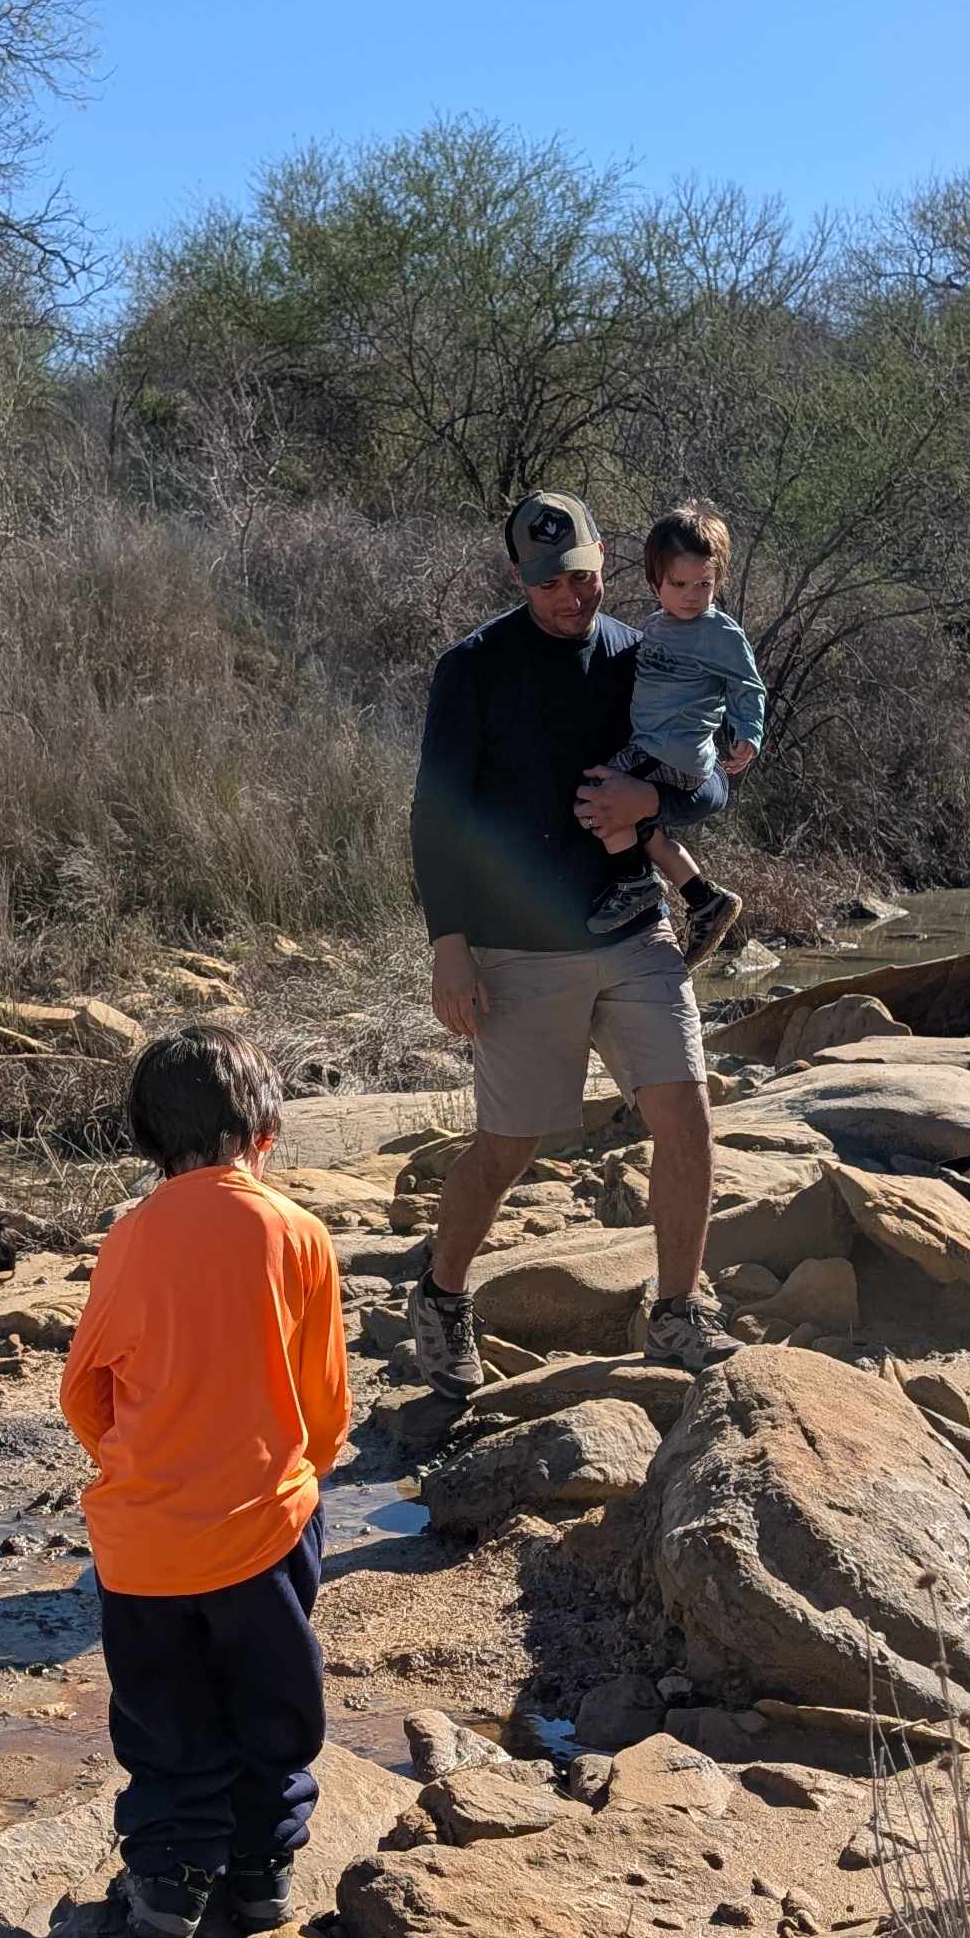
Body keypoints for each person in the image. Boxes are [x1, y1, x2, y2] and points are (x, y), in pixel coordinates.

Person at [404, 487, 735, 1399]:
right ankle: (439, 1297)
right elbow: (437, 821)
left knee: (689, 1122)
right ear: (520, 575)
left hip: (634, 927)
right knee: (507, 1149)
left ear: (602, 564)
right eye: (550, 582)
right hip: (518, 948)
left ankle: (677, 1314)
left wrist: (652, 804)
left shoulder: (643, 655)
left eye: (584, 577)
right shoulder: (472, 669)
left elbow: (706, 785)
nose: (571, 597)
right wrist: (450, 946)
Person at [57, 1021, 348, 1938]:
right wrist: (306, 1476)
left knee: (163, 1712)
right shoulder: (294, 1231)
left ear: (152, 1139)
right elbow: (325, 1400)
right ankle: (263, 1869)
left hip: (141, 1542)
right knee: (273, 1701)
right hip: (264, 1525)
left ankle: (171, 1878)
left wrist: (139, 1464)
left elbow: (83, 1388)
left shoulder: (130, 1236)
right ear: (262, 1128)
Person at [584, 496, 767, 969]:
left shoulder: (720, 634)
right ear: (655, 582)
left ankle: (635, 885)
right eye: (679, 583)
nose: (691, 595)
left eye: (704, 584)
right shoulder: (655, 626)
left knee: (598, 796)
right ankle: (704, 898)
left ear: (718, 581)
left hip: (678, 751)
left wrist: (748, 734)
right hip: (652, 745)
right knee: (642, 824)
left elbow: (748, 685)